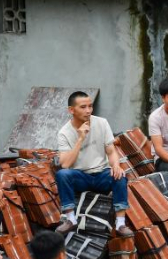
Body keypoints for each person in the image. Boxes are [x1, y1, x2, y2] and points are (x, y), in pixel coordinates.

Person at [54, 91, 132, 237]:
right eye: (83, 107)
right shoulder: (64, 132)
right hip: (80, 177)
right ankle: (71, 219)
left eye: (90, 106)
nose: (88, 110)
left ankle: (120, 223)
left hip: (102, 174)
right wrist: (80, 139)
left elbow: (111, 151)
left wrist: (116, 165)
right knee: (62, 175)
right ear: (71, 110)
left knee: (120, 175)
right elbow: (65, 164)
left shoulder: (101, 123)